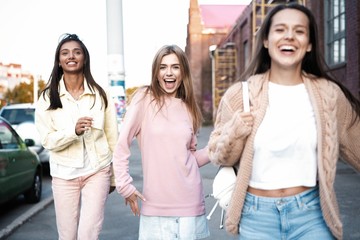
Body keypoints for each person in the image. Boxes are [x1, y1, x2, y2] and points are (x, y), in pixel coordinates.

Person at [207, 3, 360, 240]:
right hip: (257, 217)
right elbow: (218, 154)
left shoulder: (328, 95)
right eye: (280, 29)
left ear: (309, 44)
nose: (289, 35)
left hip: (311, 216)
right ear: (266, 40)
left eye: (299, 31)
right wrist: (235, 132)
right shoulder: (240, 94)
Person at [112, 44, 210, 239]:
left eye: (175, 66)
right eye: (163, 67)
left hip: (190, 205)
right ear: (156, 72)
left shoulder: (189, 108)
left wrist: (215, 149)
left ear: (183, 72)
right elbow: (121, 146)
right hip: (155, 208)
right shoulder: (144, 99)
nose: (169, 72)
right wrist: (124, 185)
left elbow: (188, 159)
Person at [35, 33, 119, 240]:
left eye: (76, 52)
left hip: (97, 171)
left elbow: (112, 137)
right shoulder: (47, 98)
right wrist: (72, 132)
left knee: (88, 234)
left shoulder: (100, 94)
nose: (71, 56)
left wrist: (115, 176)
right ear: (59, 61)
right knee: (68, 235)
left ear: (84, 58)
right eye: (65, 53)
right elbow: (47, 140)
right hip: (64, 175)